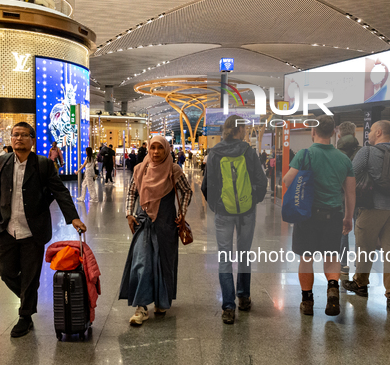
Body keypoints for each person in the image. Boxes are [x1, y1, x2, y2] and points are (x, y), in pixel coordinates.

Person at [0, 122, 86, 338]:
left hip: (33, 230)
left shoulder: (42, 164)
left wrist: (74, 218)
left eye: (24, 135)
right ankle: (27, 296)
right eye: (15, 135)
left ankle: (25, 316)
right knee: (4, 270)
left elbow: (60, 191)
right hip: (6, 228)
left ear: (32, 140)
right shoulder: (0, 163)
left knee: (31, 276)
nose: (18, 138)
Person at [283, 114, 355, 317]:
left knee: (306, 258)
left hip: (307, 215)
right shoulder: (343, 159)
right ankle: (332, 288)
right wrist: (348, 217)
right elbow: (350, 192)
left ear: (313, 132)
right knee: (332, 256)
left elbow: (288, 181)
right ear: (334, 133)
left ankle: (307, 301)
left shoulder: (304, 154)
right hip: (334, 214)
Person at [201, 115, 267, 324]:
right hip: (247, 211)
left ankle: (228, 307)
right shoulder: (248, 151)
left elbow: (206, 185)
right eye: (245, 129)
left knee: (225, 257)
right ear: (239, 131)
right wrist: (252, 200)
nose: (247, 132)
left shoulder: (214, 153)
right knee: (244, 253)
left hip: (224, 212)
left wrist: (217, 206)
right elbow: (261, 180)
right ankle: (244, 297)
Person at [120, 136, 192, 326]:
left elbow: (187, 191)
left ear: (167, 150)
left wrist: (182, 213)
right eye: (153, 148)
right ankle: (141, 307)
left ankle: (161, 302)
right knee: (142, 262)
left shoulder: (173, 170)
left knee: (163, 263)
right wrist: (129, 213)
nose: (156, 152)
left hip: (166, 223)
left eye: (160, 148)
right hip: (143, 222)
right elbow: (132, 192)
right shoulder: (140, 170)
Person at [342, 120, 390, 314]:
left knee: (365, 247)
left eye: (371, 131)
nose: (368, 134)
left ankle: (360, 284)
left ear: (378, 132)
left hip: (372, 207)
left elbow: (350, 173)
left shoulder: (367, 152)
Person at [336, 121, 361, 274]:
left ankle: (343, 263)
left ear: (339, 135)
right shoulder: (362, 151)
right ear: (354, 134)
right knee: (360, 230)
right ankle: (360, 263)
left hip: (340, 196)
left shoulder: (335, 153)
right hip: (361, 196)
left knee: (343, 230)